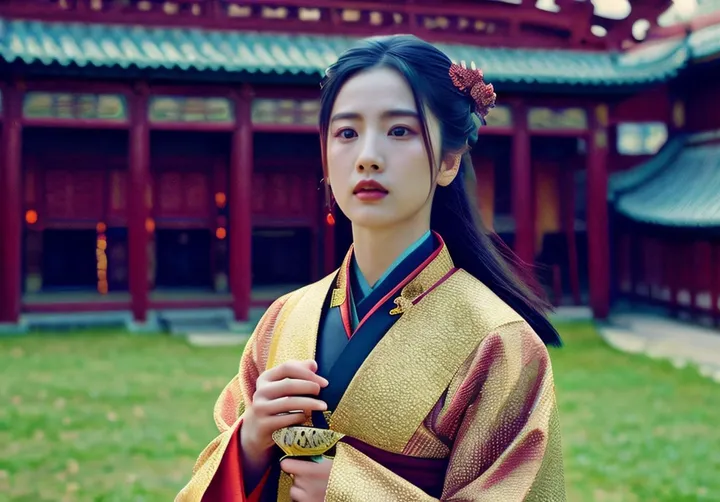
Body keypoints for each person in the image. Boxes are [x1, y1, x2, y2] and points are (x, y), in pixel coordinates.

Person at [177, 34, 565, 502]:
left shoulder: (500, 342)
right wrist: (249, 442)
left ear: (448, 161)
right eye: (346, 133)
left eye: (399, 131)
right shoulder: (285, 317)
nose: (367, 156)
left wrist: (350, 492)